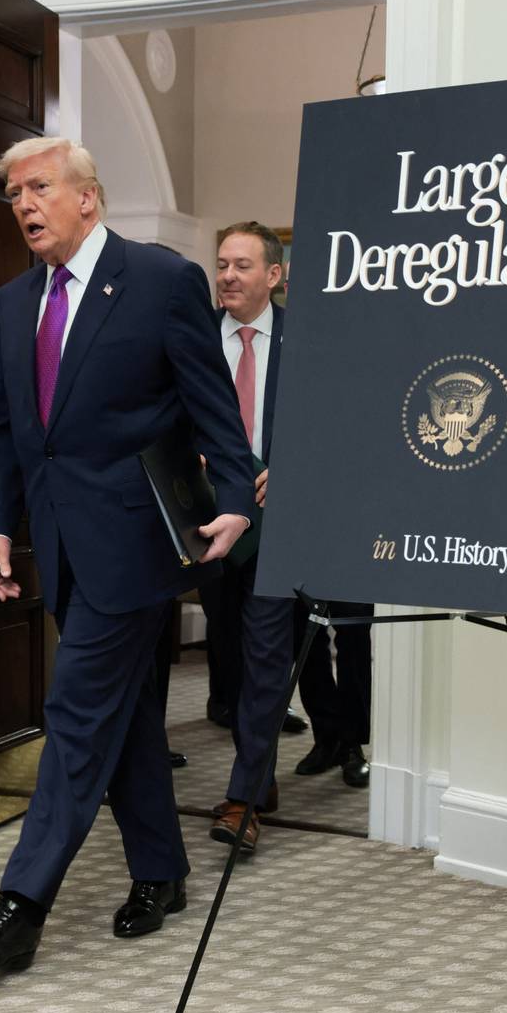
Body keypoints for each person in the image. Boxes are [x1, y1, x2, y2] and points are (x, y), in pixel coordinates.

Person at [0, 137, 253, 970]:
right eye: (13, 195)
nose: (25, 205)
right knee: (127, 714)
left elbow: (208, 400)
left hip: (139, 543)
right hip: (61, 548)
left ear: (88, 197)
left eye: (39, 187)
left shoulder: (159, 280)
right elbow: (4, 429)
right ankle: (162, 871)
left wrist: (235, 501)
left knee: (74, 712)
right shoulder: (11, 302)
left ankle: (20, 906)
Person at [201, 222, 295, 854]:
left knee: (266, 657)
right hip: (206, 522)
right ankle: (257, 778)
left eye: (241, 265)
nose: (228, 276)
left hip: (279, 523)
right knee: (229, 656)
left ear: (273, 275)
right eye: (221, 264)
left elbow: (341, 417)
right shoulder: (196, 339)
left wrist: (292, 469)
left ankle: (243, 798)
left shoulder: (308, 339)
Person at [293, 601, 373, 787]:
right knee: (305, 634)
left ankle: (352, 743)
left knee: (354, 629)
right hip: (303, 571)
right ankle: (327, 737)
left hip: (356, 572)